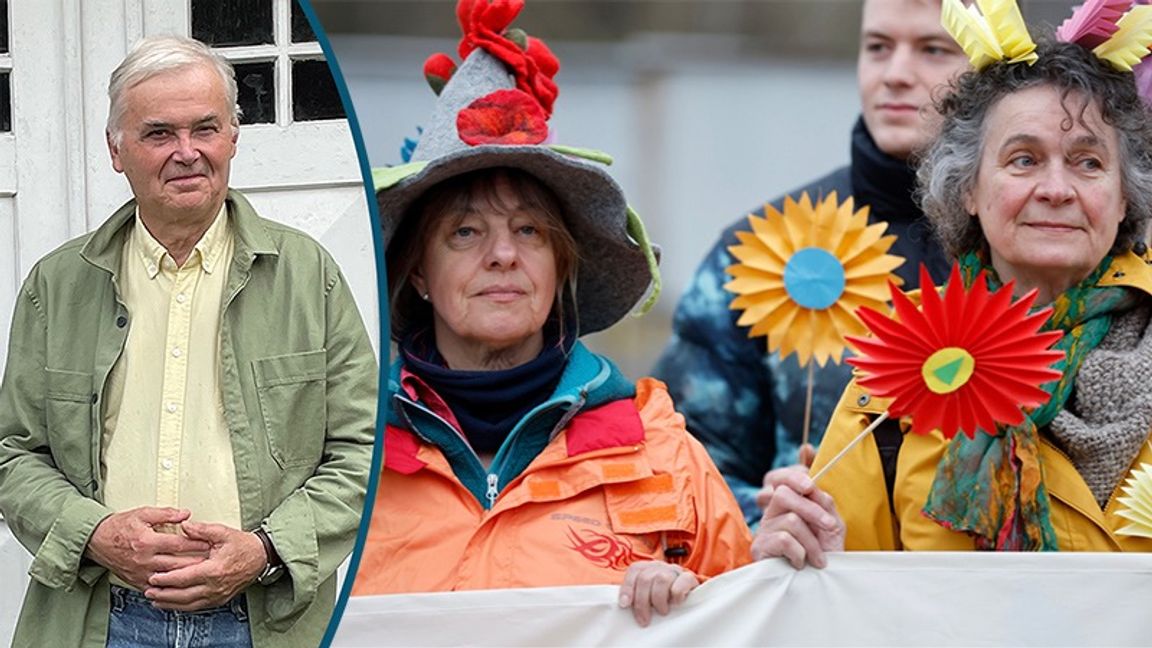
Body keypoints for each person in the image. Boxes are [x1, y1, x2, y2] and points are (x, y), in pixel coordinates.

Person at [351, 0, 751, 627]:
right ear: (420, 274)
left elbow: (752, 624)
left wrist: (694, 602)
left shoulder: (662, 454)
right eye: (464, 233)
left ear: (561, 266)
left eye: (531, 231)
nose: (504, 255)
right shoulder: (348, 454)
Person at [0, 36, 378, 647]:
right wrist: (94, 535)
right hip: (98, 620)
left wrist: (264, 549)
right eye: (158, 134)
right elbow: (13, 453)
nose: (187, 153)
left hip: (266, 623)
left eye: (205, 128)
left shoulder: (309, 275)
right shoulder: (58, 285)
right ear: (115, 150)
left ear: (233, 137)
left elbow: (365, 447)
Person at [753, 26, 1152, 565]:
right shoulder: (900, 363)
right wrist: (811, 553)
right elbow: (845, 598)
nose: (1057, 189)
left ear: (1125, 196)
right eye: (1023, 160)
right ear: (968, 188)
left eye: (1088, 163)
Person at [651, 0, 971, 527]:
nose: (894, 74)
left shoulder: (1038, 244)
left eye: (933, 50)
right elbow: (680, 461)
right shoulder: (764, 250)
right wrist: (763, 527)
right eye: (877, 47)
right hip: (810, 594)